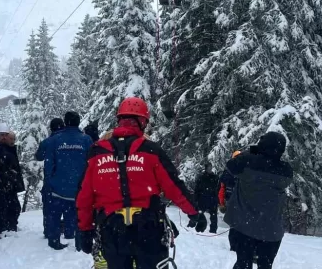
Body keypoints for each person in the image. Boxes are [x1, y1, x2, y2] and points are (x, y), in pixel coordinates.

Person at [77, 97, 206, 269]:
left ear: (119, 119)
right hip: (148, 229)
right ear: (143, 122)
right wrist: (194, 212)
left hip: (112, 230)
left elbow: (84, 196)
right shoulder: (151, 150)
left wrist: (85, 229)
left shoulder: (97, 153)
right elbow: (174, 187)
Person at [225, 132, 293, 269]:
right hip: (272, 231)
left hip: (245, 227)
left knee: (243, 265)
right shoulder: (286, 170)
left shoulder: (247, 162)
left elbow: (231, 165)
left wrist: (252, 152)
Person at [44, 111, 93, 250]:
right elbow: (91, 163)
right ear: (78, 122)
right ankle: (78, 241)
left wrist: (51, 181)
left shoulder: (55, 140)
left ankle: (54, 240)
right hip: (79, 188)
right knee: (79, 215)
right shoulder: (86, 140)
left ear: (65, 122)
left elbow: (48, 164)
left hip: (58, 187)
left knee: (54, 215)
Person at [35, 117, 65, 240]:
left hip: (51, 180)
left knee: (50, 208)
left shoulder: (48, 142)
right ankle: (68, 229)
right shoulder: (67, 141)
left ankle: (49, 230)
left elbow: (38, 156)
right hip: (69, 179)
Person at [192, 163, 220, 233]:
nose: (210, 169)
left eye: (211, 167)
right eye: (208, 167)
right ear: (205, 168)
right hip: (202, 199)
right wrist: (195, 199)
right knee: (199, 214)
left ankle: (213, 230)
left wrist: (218, 199)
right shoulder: (201, 177)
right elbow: (197, 189)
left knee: (213, 216)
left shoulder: (215, 177)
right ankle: (195, 227)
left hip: (212, 199)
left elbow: (219, 188)